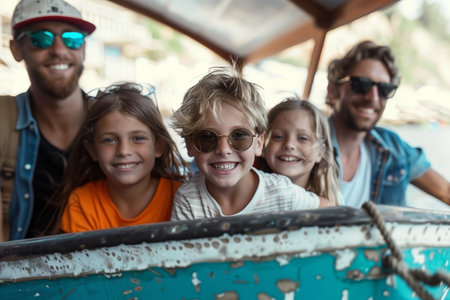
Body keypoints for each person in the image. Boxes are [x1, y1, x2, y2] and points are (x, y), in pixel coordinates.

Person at [170, 66, 333, 221]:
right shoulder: (188, 198)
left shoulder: (280, 191)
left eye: (239, 135)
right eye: (207, 137)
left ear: (259, 143)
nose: (224, 149)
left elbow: (332, 211)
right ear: (189, 145)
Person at [0, 0, 96, 241]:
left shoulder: (115, 122)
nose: (59, 49)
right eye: (41, 38)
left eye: (72, 38)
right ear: (16, 50)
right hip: (17, 273)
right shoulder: (3, 118)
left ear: (83, 49)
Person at [326, 40, 450, 207]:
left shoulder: (394, 149)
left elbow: (446, 192)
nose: (373, 98)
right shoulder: (299, 144)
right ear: (333, 91)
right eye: (361, 84)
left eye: (384, 89)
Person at [52, 83, 189, 233]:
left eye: (137, 138)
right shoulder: (82, 202)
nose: (124, 151)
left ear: (158, 147)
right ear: (93, 150)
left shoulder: (183, 197)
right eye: (109, 140)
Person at [257, 97, 340, 205]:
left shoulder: (333, 202)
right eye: (278, 136)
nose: (289, 145)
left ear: (320, 152)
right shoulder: (249, 194)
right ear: (263, 146)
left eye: (303, 138)